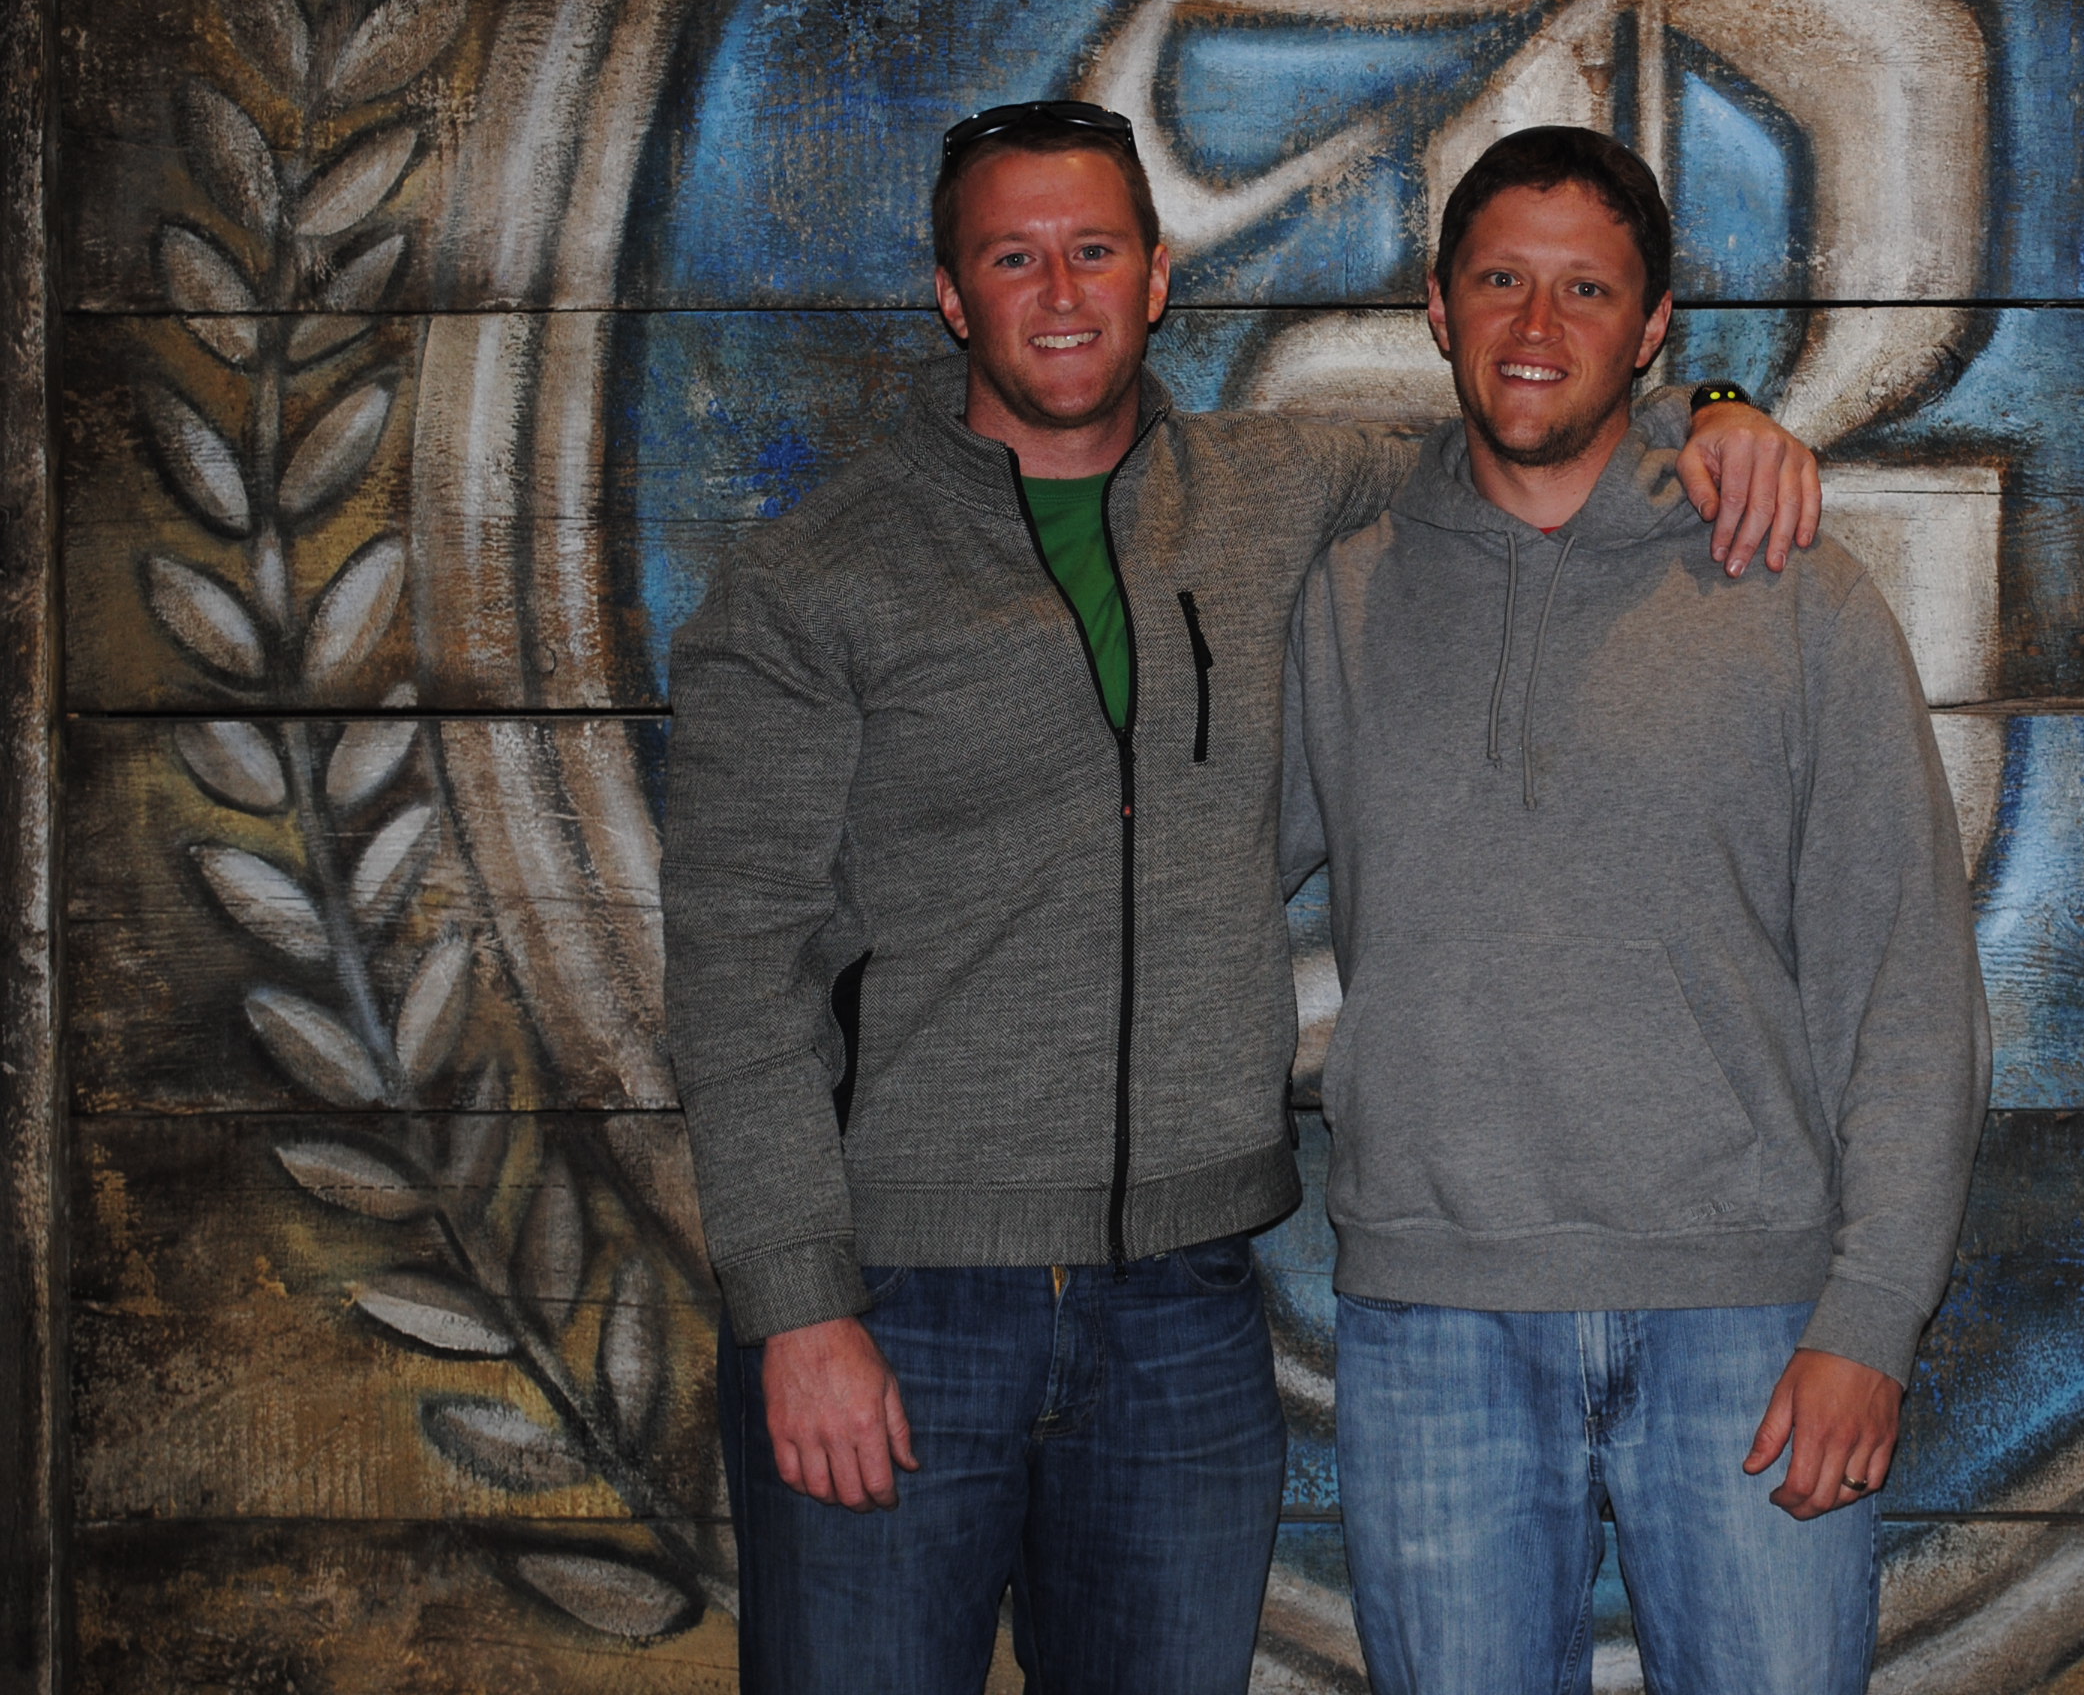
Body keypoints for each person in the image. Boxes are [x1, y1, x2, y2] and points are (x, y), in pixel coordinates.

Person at [659, 99, 1824, 1695]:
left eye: (1094, 250)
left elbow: (1524, 420)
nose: (1059, 293)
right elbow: (737, 972)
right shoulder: (813, 581)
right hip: (901, 1301)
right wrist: (798, 1308)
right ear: (950, 294)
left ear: (1155, 279)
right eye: (1013, 257)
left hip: (1184, 1320)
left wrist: (1719, 408)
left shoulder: (1276, 489)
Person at [1281, 125, 1992, 1694]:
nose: (1537, 327)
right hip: (1436, 1324)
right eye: (1500, 282)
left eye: (1587, 290)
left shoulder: (1789, 586)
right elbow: (1188, 869)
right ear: (1438, 307)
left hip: (1749, 1321)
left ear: (1655, 325)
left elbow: (1904, 979)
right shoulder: (1342, 597)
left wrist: (1871, 1318)